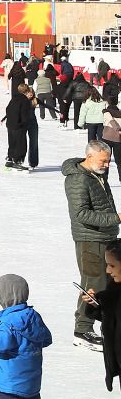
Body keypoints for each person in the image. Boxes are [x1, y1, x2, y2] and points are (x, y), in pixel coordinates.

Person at [65, 140, 119, 351]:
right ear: (89, 157)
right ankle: (82, 330)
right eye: (103, 161)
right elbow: (81, 214)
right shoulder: (78, 180)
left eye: (108, 161)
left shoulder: (97, 174)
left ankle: (100, 323)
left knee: (105, 282)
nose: (106, 165)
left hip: (105, 237)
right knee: (92, 283)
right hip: (90, 239)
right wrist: (115, 218)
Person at [79, 241, 121, 391]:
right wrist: (95, 303)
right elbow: (111, 315)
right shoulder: (115, 287)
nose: (108, 270)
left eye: (112, 265)